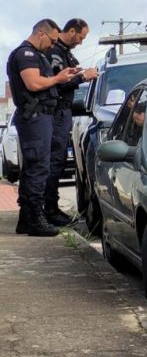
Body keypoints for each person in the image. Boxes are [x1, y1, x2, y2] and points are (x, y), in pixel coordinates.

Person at [6, 19, 78, 236]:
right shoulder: (25, 54)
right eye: (51, 40)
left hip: (40, 117)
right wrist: (58, 78)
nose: (52, 45)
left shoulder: (36, 54)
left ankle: (27, 218)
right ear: (40, 33)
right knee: (38, 167)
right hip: (34, 117)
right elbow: (33, 84)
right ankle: (36, 219)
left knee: (34, 168)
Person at [45, 18, 99, 226]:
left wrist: (78, 72)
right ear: (72, 31)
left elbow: (68, 73)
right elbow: (57, 83)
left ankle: (50, 209)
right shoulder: (55, 52)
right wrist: (83, 78)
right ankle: (49, 210)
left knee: (55, 163)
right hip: (56, 112)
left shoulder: (64, 52)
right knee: (53, 163)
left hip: (61, 113)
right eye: (81, 37)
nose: (81, 42)